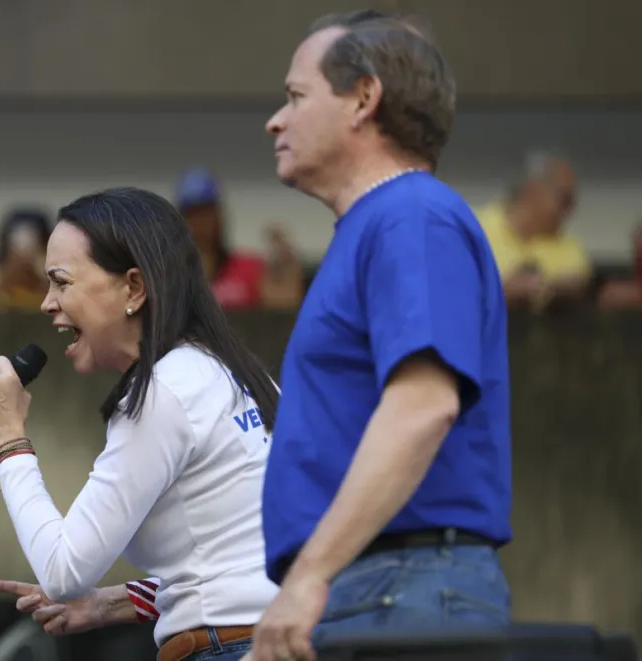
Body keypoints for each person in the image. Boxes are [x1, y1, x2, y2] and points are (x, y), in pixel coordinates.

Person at [248, 10, 512, 661]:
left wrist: (308, 576)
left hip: (399, 586)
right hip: (376, 585)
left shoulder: (410, 216)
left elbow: (423, 406)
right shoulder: (385, 224)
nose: (276, 120)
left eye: (296, 96)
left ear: (364, 98)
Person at [0, 186, 280, 661]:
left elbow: (63, 571)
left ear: (134, 288)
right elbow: (228, 567)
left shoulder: (163, 392)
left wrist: (8, 438)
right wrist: (109, 604)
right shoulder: (231, 372)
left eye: (61, 282)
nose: (47, 303)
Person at [174, 167, 305, 311]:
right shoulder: (169, 276)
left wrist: (287, 265)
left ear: (219, 217)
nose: (201, 223)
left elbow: (281, 308)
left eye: (207, 213)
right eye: (193, 215)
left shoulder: (249, 269)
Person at [475, 151, 591, 309]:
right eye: (565, 198)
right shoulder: (474, 229)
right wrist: (502, 291)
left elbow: (577, 283)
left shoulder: (569, 246)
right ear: (533, 190)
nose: (571, 209)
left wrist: (550, 289)